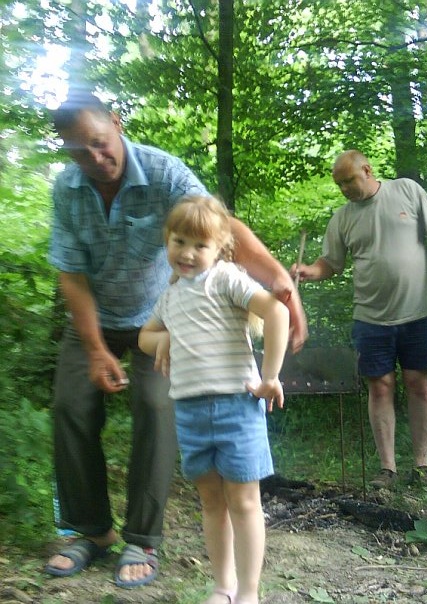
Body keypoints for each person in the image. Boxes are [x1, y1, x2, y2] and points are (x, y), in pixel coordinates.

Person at [45, 90, 308, 588]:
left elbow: (219, 226)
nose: (94, 158)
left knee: (158, 404)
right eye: (79, 151)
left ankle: (142, 539)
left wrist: (281, 284)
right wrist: (97, 349)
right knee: (70, 405)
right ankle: (91, 531)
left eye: (99, 143)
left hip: (164, 313)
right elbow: (71, 274)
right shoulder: (67, 190)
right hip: (96, 317)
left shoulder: (163, 171)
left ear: (117, 124)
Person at [139, 195, 289, 604]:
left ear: (219, 246)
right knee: (211, 503)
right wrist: (163, 338)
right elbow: (144, 336)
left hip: (236, 408)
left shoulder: (225, 279)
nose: (187, 253)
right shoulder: (170, 296)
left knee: (244, 501)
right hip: (190, 412)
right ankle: (223, 587)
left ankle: (248, 592)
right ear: (167, 240)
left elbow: (276, 312)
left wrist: (270, 376)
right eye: (179, 241)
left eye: (199, 245)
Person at [292, 149, 427, 489]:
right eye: (339, 184)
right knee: (380, 387)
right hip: (370, 317)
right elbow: (330, 264)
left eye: (348, 181)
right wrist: (309, 271)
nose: (344, 189)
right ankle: (387, 468)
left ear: (367, 170)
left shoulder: (406, 190)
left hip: (419, 311)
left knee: (419, 383)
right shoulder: (342, 218)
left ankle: (422, 465)